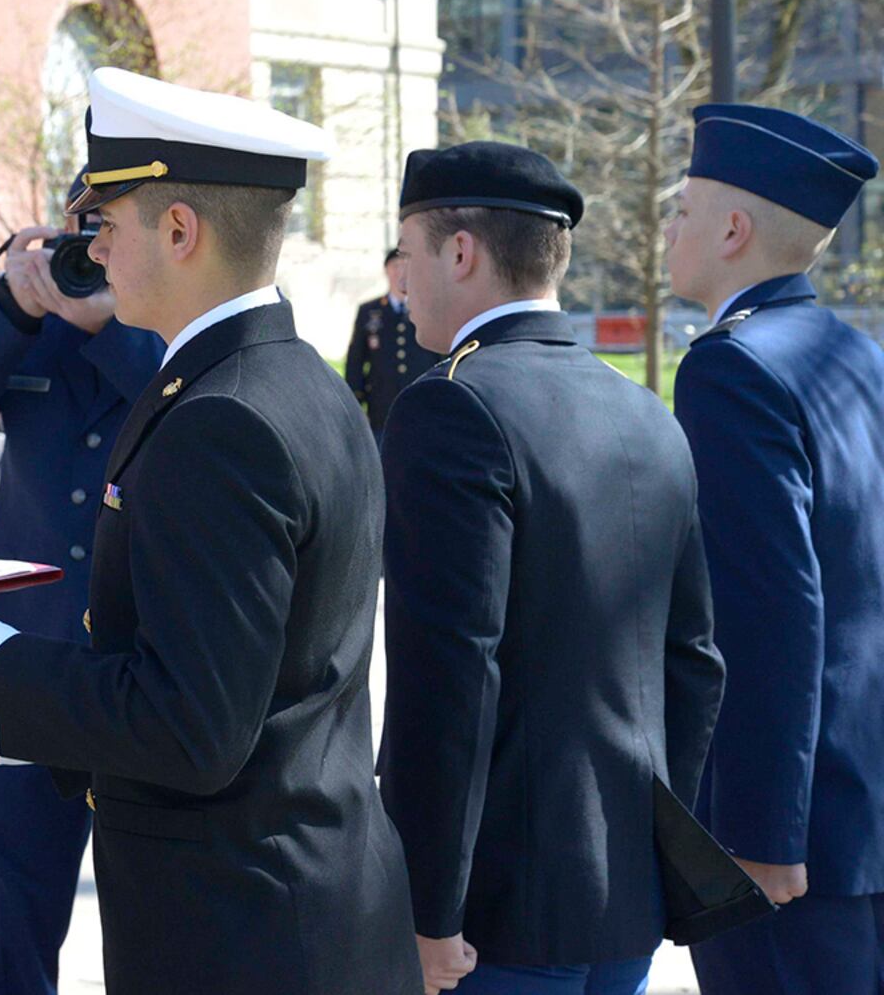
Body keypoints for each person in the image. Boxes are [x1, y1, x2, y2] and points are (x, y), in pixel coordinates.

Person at [0, 66, 426, 994]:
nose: (89, 254)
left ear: (178, 230)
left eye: (104, 226)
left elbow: (192, 726)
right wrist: (13, 730)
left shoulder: (219, 419)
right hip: (298, 909)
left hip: (241, 932)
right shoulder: (300, 382)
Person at [377, 142, 727, 994]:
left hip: (496, 910)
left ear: (460, 252)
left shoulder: (451, 403)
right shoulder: (646, 412)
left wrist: (427, 908)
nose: (400, 281)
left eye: (409, 253)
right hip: (623, 896)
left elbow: (450, 679)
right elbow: (695, 663)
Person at [0, 174, 165, 995]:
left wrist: (107, 325)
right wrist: (10, 312)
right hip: (13, 668)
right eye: (79, 231)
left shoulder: (170, 327)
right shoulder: (30, 322)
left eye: (108, 230)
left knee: (162, 941)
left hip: (141, 680)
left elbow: (184, 397)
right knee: (8, 940)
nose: (91, 252)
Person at [664, 104, 884, 995]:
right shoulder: (856, 356)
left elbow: (767, 614)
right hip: (860, 809)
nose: (669, 229)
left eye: (681, 211)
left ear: (732, 228)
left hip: (796, 839)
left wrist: (761, 833)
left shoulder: (731, 368)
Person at [344, 247, 442, 438]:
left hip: (423, 405)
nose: (401, 272)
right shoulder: (369, 311)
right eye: (395, 266)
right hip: (382, 407)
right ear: (386, 270)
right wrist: (355, 400)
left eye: (406, 266)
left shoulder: (430, 309)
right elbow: (356, 359)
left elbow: (441, 356)